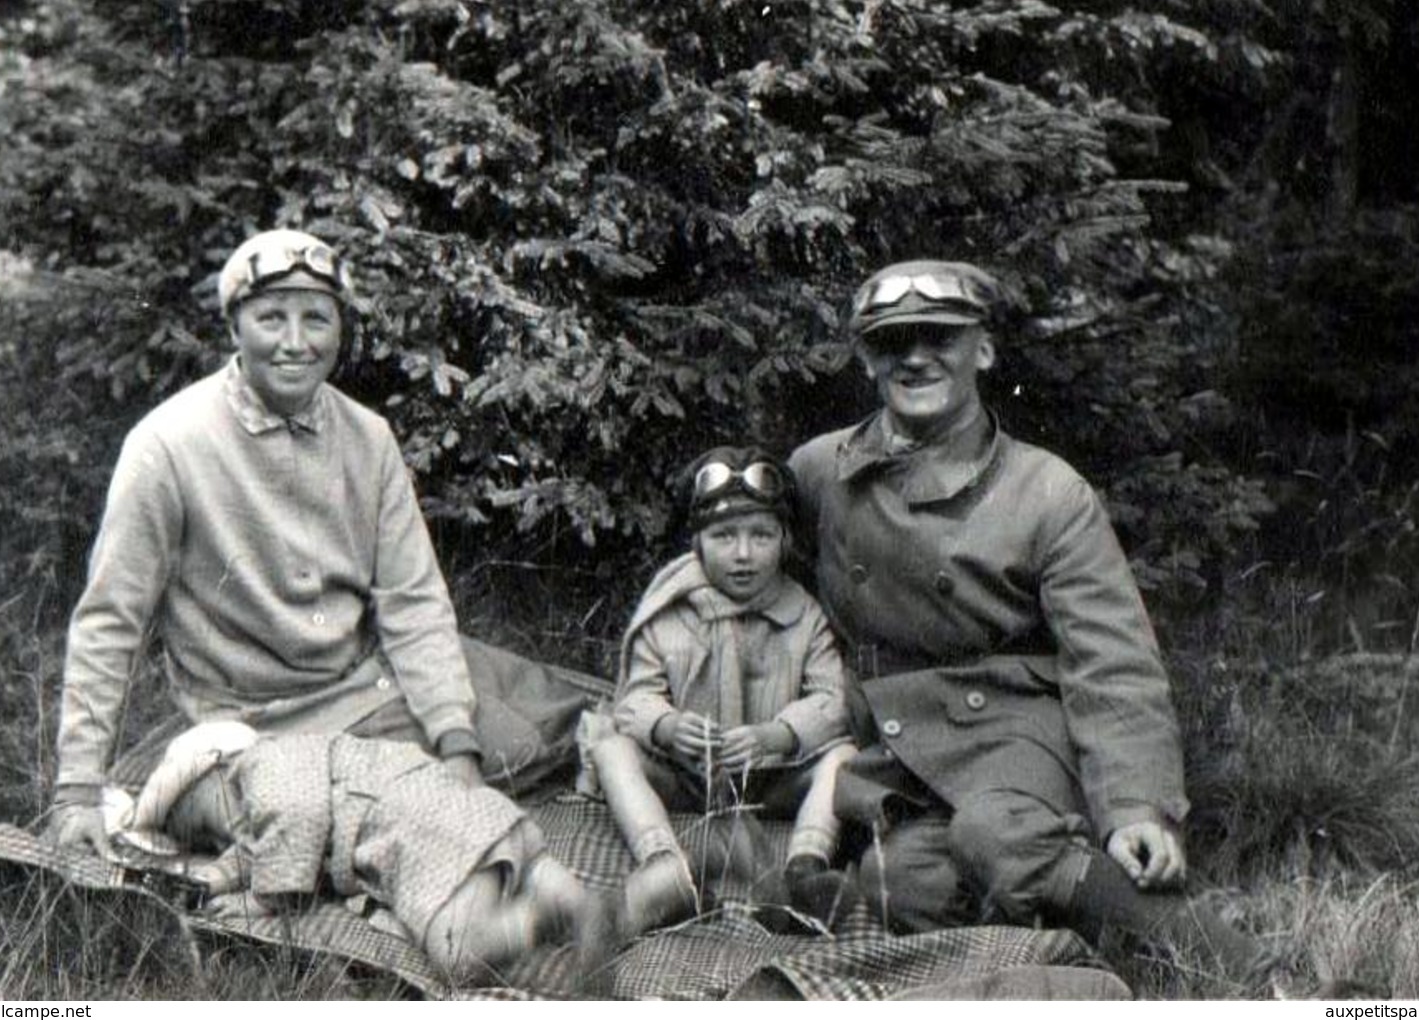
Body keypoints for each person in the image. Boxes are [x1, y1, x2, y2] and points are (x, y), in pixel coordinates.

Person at [787, 260, 1265, 984]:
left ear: (981, 350)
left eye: (939, 337)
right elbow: (746, 573)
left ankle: (1241, 970)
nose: (916, 357)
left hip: (1018, 728)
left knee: (995, 834)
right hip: (901, 747)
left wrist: (1135, 808)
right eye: (893, 342)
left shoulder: (1044, 491)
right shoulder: (821, 470)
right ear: (867, 360)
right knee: (903, 882)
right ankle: (1058, 958)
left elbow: (1113, 660)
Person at [48, 228, 584, 857]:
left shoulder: (369, 437)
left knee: (520, 747)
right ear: (234, 327)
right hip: (250, 723)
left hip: (363, 690)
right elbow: (110, 621)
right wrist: (78, 790)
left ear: (339, 330)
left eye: (316, 319)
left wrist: (456, 746)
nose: (295, 344)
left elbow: (412, 602)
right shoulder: (166, 445)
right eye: (271, 318)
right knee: (370, 826)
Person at [584, 447, 858, 936]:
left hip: (772, 777)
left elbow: (833, 701)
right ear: (697, 543)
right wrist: (666, 727)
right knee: (611, 748)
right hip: (690, 776)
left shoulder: (804, 614)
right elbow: (634, 698)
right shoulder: (670, 610)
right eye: (724, 536)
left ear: (785, 540)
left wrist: (779, 734)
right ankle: (665, 865)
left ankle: (805, 867)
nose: (744, 554)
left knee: (843, 756)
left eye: (762, 535)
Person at [112, 720, 615, 985]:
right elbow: (260, 842)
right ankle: (574, 899)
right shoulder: (271, 788)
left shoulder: (268, 765)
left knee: (458, 957)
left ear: (221, 765)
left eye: (205, 822)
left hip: (415, 828)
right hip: (473, 814)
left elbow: (295, 819)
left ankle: (537, 917)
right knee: (526, 863)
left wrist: (264, 901)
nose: (218, 839)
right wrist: (217, 879)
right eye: (206, 843)